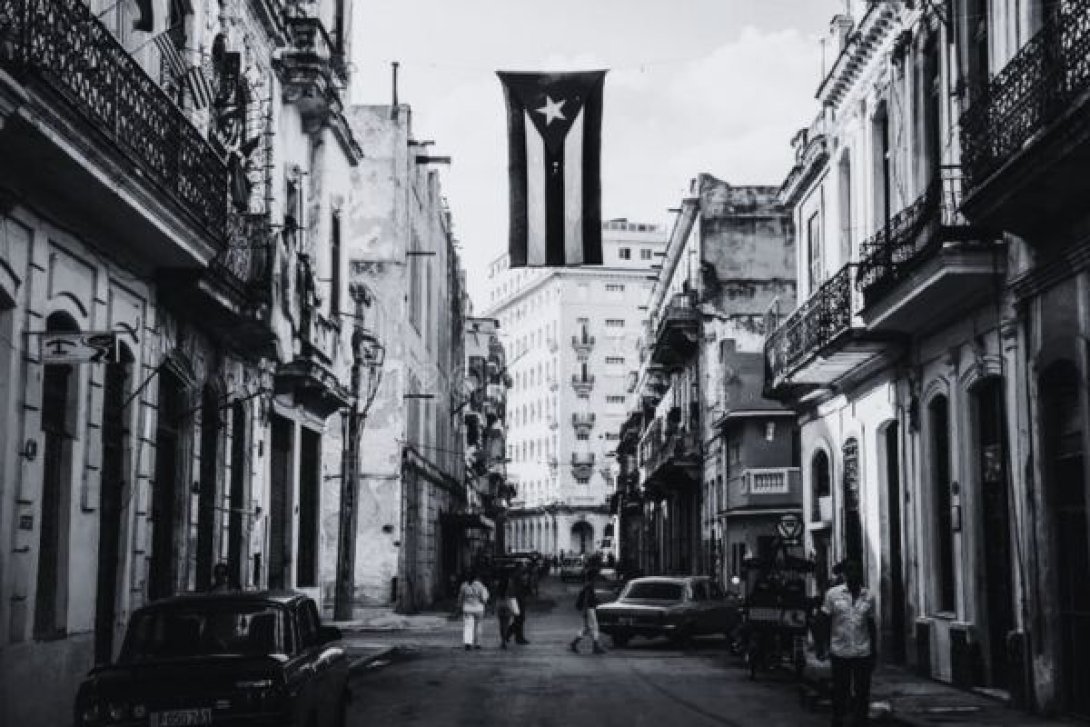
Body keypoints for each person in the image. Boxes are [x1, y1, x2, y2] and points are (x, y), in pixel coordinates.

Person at [818, 560, 877, 726]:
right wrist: (822, 645)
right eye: (850, 571)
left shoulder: (869, 596)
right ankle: (838, 720)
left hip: (862, 652)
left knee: (862, 692)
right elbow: (824, 620)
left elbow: (871, 624)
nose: (853, 575)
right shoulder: (833, 594)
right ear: (844, 574)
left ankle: (860, 721)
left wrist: (874, 652)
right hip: (840, 651)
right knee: (840, 691)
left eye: (856, 571)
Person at [570, 570, 606, 654]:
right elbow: (587, 600)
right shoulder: (589, 586)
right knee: (595, 627)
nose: (597, 579)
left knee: (587, 628)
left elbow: (590, 599)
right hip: (589, 609)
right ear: (593, 577)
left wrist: (598, 602)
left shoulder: (588, 585)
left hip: (589, 608)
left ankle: (574, 643)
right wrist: (585, 612)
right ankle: (595, 647)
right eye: (596, 577)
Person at [459, 570, 489, 651]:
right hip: (479, 608)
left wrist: (460, 605)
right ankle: (478, 643)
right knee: (478, 625)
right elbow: (484, 597)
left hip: (467, 608)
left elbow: (461, 597)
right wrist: (484, 602)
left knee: (468, 626)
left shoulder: (464, 585)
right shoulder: (480, 585)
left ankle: (468, 643)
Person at [506, 562, 531, 645]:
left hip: (517, 599)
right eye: (523, 566)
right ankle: (515, 636)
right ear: (519, 567)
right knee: (520, 619)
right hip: (517, 599)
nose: (524, 567)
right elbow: (521, 586)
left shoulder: (516, 575)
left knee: (519, 619)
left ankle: (513, 635)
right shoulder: (518, 575)